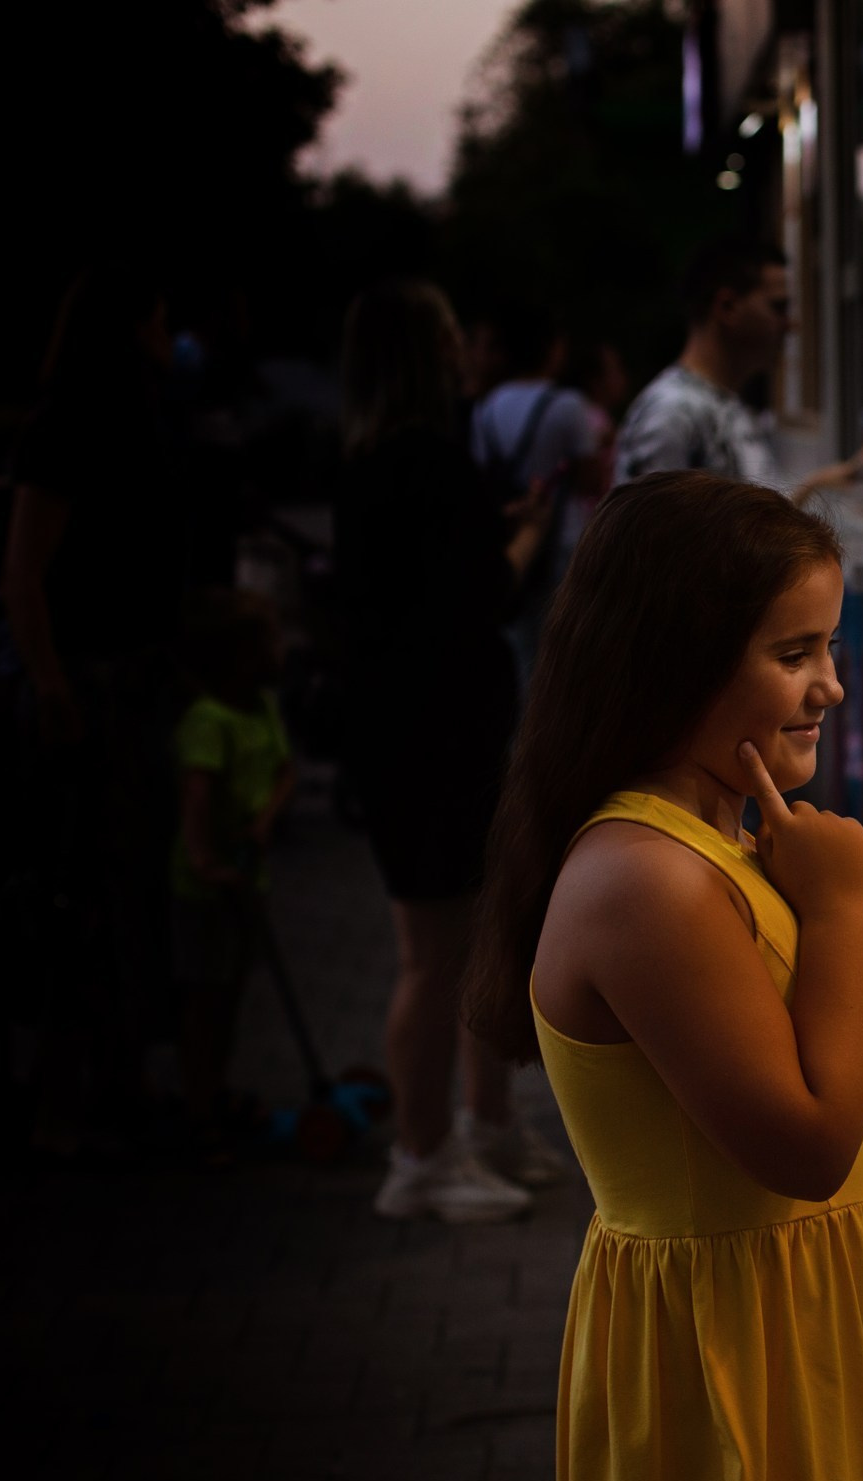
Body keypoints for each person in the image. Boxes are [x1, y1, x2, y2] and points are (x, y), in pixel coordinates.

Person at [465, 472, 863, 1481]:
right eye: (793, 651)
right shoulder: (649, 878)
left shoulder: (715, 839)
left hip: (780, 1334)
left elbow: (762, 1090)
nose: (832, 687)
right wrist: (846, 905)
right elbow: (795, 1150)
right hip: (733, 1365)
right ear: (672, 659)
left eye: (831, 647)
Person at [333, 280, 564, 1221]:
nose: (466, 353)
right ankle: (421, 1156)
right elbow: (481, 594)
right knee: (436, 955)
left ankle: (473, 1128)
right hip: (434, 742)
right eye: (447, 339)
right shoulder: (430, 461)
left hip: (403, 738)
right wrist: (531, 535)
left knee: (458, 944)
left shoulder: (370, 462)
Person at [2, 262, 186, 1153]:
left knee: (131, 881)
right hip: (93, 677)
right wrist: (48, 681)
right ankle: (75, 1086)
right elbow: (25, 568)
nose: (167, 337)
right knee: (88, 880)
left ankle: (120, 1073)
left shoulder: (136, 420)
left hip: (134, 674)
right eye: (155, 321)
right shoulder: (67, 430)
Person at [167, 589, 293, 1160]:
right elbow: (196, 794)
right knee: (204, 1000)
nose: (280, 649)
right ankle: (197, 1108)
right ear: (239, 656)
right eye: (268, 641)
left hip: (247, 876)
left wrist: (263, 821)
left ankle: (215, 1093)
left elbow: (286, 770)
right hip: (208, 886)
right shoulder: (207, 721)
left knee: (232, 996)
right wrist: (203, 859)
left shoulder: (260, 708)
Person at [613, 234, 863, 493]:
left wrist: (817, 485)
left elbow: (748, 524)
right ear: (727, 307)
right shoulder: (672, 414)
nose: (791, 325)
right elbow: (650, 532)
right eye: (778, 308)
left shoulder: (722, 405)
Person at [469, 300, 606, 685]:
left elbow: (483, 474)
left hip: (511, 540)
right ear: (551, 348)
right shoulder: (567, 405)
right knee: (561, 657)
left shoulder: (486, 407)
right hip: (562, 543)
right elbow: (590, 481)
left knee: (520, 652)